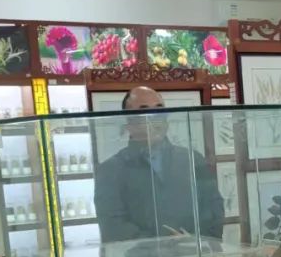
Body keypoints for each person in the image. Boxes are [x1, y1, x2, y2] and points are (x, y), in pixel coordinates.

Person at [94, 86, 224, 242]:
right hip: (140, 256)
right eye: (145, 112)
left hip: (194, 251)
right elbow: (113, 226)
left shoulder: (192, 159)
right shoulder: (111, 170)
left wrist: (194, 240)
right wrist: (162, 245)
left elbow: (214, 208)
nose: (154, 119)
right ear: (129, 124)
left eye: (159, 111)